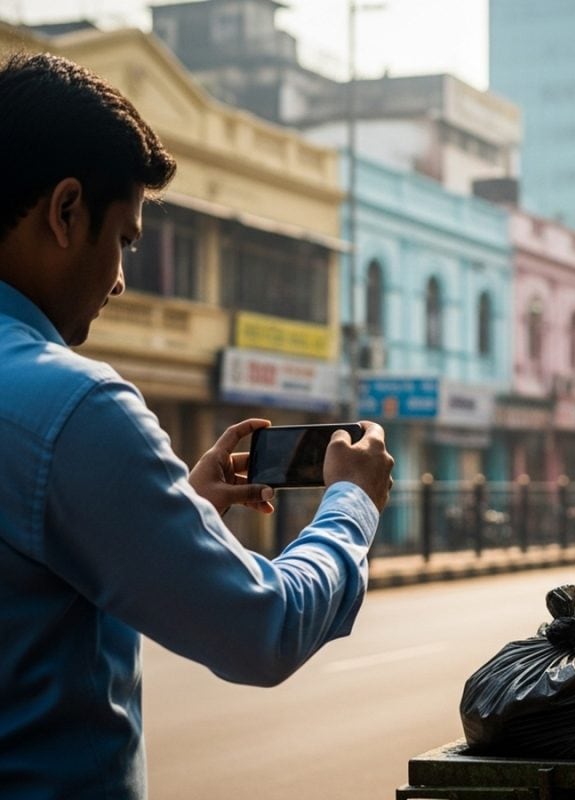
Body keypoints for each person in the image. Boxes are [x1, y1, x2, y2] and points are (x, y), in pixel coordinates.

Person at [0, 51, 395, 799]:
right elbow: (261, 629)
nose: (119, 278)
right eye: (123, 239)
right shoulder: (74, 409)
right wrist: (353, 504)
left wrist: (171, 509)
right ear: (65, 211)